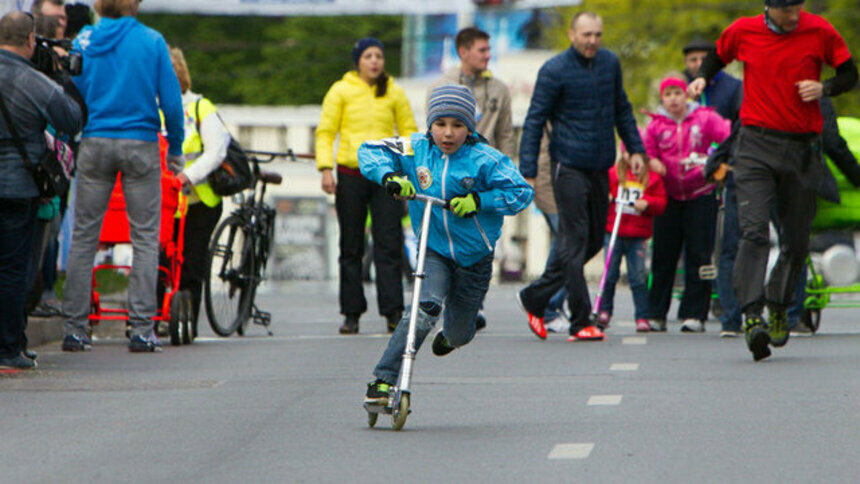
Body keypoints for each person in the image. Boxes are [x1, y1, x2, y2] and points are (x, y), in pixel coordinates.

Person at [689, 0, 857, 361]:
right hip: (755, 146)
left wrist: (824, 88)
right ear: (768, 7)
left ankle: (779, 305)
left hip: (801, 151)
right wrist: (703, 76)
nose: (793, 15)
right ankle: (752, 315)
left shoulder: (820, 31)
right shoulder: (744, 31)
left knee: (796, 240)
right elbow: (718, 56)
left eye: (797, 6)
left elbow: (849, 75)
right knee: (754, 231)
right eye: (785, 9)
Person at [358, 84, 533, 403]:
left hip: (475, 257)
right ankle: (383, 379)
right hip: (433, 248)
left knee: (458, 333)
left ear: (470, 127)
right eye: (440, 124)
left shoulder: (485, 159)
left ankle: (459, 330)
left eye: (457, 125)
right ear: (430, 125)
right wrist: (389, 176)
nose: (448, 133)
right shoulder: (415, 148)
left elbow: (522, 192)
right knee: (424, 309)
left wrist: (481, 200)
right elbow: (369, 150)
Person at [62, 0, 184, 353]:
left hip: (95, 141)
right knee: (144, 237)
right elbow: (172, 103)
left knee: (85, 236)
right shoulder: (152, 41)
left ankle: (75, 329)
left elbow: (71, 91)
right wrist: (174, 148)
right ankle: (142, 329)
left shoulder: (84, 40)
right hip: (140, 143)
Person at [516, 11, 646, 342]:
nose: (592, 41)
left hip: (600, 163)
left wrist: (636, 149)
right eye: (586, 35)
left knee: (591, 241)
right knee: (573, 242)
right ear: (572, 34)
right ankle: (580, 320)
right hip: (568, 165)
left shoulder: (609, 64)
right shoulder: (554, 70)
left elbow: (622, 108)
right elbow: (534, 121)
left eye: (597, 35)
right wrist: (528, 172)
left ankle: (535, 296)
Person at [316, 37, 417, 335]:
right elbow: (325, 131)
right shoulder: (341, 90)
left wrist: (410, 170)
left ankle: (393, 311)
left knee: (389, 243)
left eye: (379, 56)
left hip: (386, 177)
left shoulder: (395, 92)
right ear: (358, 60)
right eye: (369, 56)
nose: (375, 61)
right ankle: (351, 313)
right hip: (350, 174)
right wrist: (325, 168)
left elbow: (409, 133)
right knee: (351, 246)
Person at [0, 10, 83, 369]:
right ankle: (8, 348)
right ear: (31, 41)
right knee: (13, 270)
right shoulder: (33, 81)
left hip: (15, 188)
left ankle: (14, 342)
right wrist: (61, 73)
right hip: (18, 189)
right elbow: (73, 118)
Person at [427, 26, 515, 330]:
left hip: (486, 175)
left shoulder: (500, 90)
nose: (488, 56)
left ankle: (471, 304)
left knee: (482, 238)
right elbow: (431, 132)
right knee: (452, 237)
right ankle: (451, 303)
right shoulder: (442, 85)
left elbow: (506, 133)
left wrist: (509, 171)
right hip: (451, 174)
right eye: (482, 50)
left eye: (489, 50)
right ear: (463, 51)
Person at [645, 76, 731, 333]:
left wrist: (716, 162)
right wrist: (652, 162)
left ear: (687, 95)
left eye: (677, 93)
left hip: (700, 193)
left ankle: (694, 313)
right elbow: (645, 149)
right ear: (662, 98)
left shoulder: (704, 119)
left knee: (700, 255)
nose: (673, 99)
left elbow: (728, 136)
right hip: (668, 196)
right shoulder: (655, 126)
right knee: (663, 255)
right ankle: (656, 313)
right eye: (668, 94)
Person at [682, 37, 744, 338]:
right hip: (689, 177)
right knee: (699, 247)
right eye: (691, 60)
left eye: (702, 59)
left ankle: (733, 311)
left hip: (726, 169)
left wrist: (721, 162)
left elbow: (735, 128)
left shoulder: (732, 88)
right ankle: (698, 310)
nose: (697, 65)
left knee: (731, 243)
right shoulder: (679, 89)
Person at [168, 46, 230, 337]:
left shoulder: (199, 107)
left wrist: (186, 176)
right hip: (165, 199)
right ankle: (157, 313)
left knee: (192, 260)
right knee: (161, 258)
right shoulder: (148, 107)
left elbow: (216, 151)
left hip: (199, 199)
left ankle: (187, 319)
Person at [599, 148, 667, 333]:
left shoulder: (651, 178)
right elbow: (601, 189)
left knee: (637, 277)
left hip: (638, 234)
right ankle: (604, 310)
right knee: (609, 273)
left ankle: (642, 315)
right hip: (614, 231)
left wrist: (648, 203)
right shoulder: (613, 174)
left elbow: (661, 202)